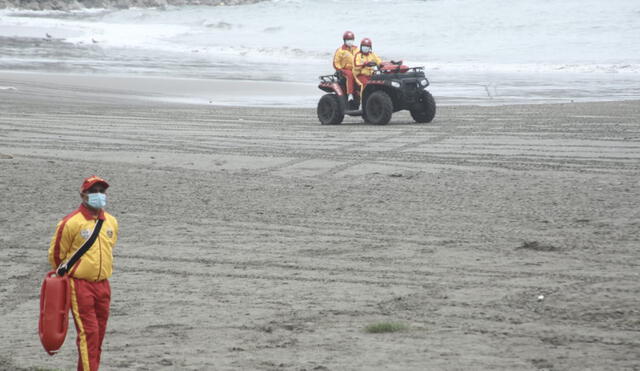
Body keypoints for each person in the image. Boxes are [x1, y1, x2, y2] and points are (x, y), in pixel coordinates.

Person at [48, 175, 119, 371]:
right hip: (80, 285)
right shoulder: (71, 222)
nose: (98, 195)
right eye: (93, 191)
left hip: (103, 284)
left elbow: (110, 248)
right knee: (89, 333)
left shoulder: (111, 222)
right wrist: (66, 278)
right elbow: (56, 256)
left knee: (99, 334)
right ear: (83, 194)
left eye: (101, 191)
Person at [333, 30, 358, 104]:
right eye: (348, 40)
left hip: (356, 69)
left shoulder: (357, 49)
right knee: (350, 75)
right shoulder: (340, 51)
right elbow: (336, 62)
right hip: (344, 69)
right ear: (344, 40)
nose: (350, 41)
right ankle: (350, 94)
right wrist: (339, 69)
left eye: (351, 40)